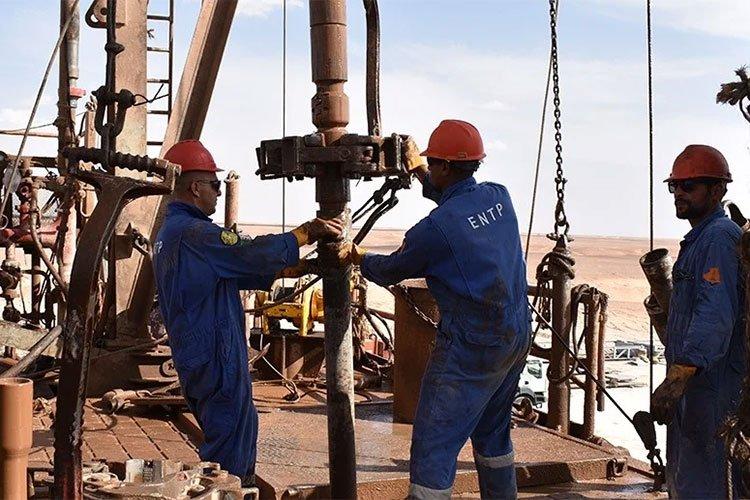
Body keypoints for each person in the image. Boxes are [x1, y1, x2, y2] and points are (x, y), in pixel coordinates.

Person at [343, 120, 531, 499]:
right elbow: (456, 202)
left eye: (432, 163)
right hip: (515, 336)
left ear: (444, 166)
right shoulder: (499, 196)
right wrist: (418, 171)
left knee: (435, 443)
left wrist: (358, 257)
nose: (429, 168)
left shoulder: (433, 231)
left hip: (471, 348)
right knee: (494, 434)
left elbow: (392, 269)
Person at [153, 139, 342, 483]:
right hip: (214, 353)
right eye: (215, 185)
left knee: (235, 429)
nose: (218, 193)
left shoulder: (172, 232)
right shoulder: (196, 233)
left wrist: (294, 269)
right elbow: (248, 253)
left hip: (197, 352)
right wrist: (304, 234)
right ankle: (229, 491)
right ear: (195, 188)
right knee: (230, 443)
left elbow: (230, 271)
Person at [651, 144, 746, 498]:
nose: (679, 193)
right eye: (674, 186)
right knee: (688, 477)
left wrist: (679, 376)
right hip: (696, 388)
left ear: (717, 189)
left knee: (709, 482)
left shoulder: (719, 238)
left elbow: (715, 315)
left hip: (714, 386)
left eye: (689, 186)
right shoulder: (699, 240)